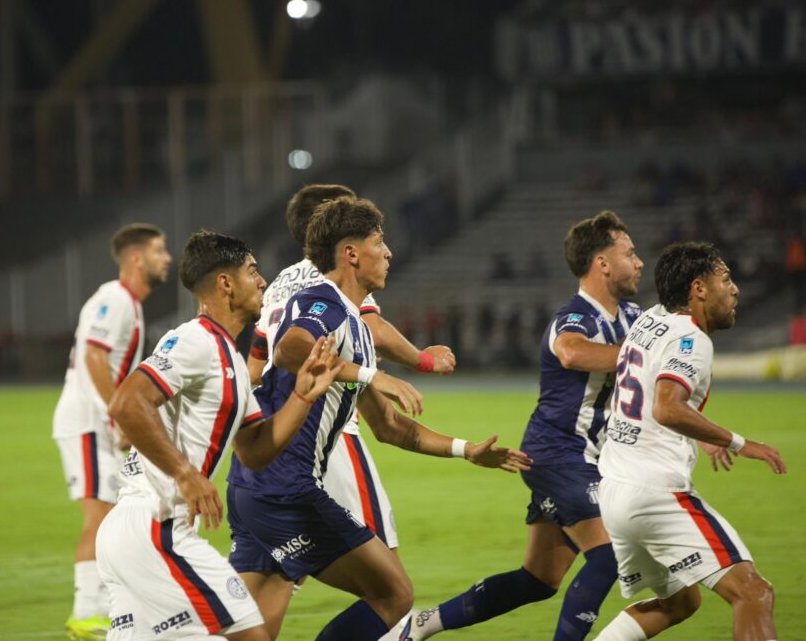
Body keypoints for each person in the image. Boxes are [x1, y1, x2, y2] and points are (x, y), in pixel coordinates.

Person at [228, 198, 531, 640]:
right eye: (378, 242)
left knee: (250, 632)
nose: (388, 252)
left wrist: (466, 450)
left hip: (254, 487)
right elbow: (290, 350)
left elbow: (390, 428)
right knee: (394, 595)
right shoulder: (322, 301)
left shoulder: (354, 325)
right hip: (284, 488)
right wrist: (374, 374)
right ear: (350, 254)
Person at [394, 211, 644, 641]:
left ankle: (420, 625)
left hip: (591, 461)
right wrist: (644, 358)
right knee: (608, 557)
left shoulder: (634, 318)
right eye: (630, 253)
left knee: (538, 581)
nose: (639, 262)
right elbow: (571, 353)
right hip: (559, 456)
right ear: (602, 263)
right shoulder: (575, 318)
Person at [94, 230, 344, 640]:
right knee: (250, 636)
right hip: (155, 527)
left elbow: (256, 450)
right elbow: (127, 403)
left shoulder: (232, 360)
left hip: (139, 534)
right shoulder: (195, 339)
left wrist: (301, 395)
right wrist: (185, 474)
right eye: (252, 271)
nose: (262, 281)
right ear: (226, 284)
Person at [247, 184, 455, 554]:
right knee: (386, 572)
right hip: (329, 428)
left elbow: (256, 364)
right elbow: (370, 331)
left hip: (276, 427)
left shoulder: (278, 283)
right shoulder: (334, 282)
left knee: (280, 569)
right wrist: (420, 360)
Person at [594, 242, 786, 641]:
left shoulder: (652, 318)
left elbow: (654, 397)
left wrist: (698, 430)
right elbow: (667, 406)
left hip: (615, 489)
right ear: (698, 289)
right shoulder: (692, 339)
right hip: (655, 493)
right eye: (726, 280)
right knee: (754, 593)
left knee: (678, 604)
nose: (734, 290)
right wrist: (737, 442)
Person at [53, 223, 172, 639]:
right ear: (136, 258)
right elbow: (94, 358)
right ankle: (87, 614)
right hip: (86, 421)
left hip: (98, 422)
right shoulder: (115, 299)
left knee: (117, 516)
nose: (167, 258)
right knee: (100, 517)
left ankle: (115, 608)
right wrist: (121, 415)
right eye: (160, 251)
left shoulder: (129, 304)